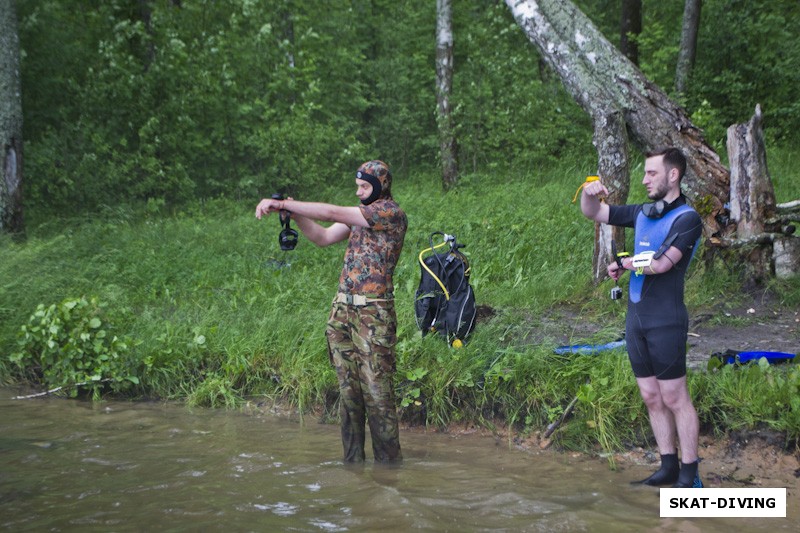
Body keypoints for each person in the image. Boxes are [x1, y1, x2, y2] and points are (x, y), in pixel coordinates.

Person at [255, 160, 407, 463]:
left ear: (380, 187)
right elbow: (322, 237)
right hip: (342, 313)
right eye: (357, 185)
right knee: (350, 397)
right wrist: (294, 214)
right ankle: (353, 467)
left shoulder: (389, 213)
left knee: (377, 395)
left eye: (364, 186)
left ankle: (390, 472)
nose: (358, 190)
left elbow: (332, 212)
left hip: (373, 316)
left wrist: (284, 202)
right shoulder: (359, 218)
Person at [580, 148, 704, 488]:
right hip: (637, 320)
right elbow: (596, 213)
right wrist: (588, 194)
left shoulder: (687, 219)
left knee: (675, 397)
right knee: (651, 395)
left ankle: (689, 471)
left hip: (667, 319)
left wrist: (624, 263)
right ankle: (667, 466)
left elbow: (662, 264)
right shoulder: (642, 213)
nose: (645, 179)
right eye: (646, 173)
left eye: (651, 173)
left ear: (673, 175)